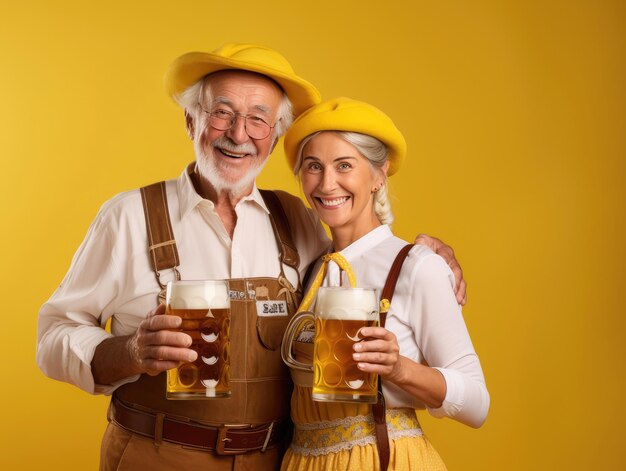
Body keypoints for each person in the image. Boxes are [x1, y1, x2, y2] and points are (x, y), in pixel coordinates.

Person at [36, 44, 467, 471]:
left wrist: (419, 256)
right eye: (221, 112)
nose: (239, 134)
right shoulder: (128, 216)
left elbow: (357, 265)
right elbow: (54, 334)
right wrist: (129, 351)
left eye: (258, 119)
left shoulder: (297, 220)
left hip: (275, 459)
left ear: (275, 135)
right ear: (191, 121)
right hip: (158, 454)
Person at [280, 97, 489, 471]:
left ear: (379, 175)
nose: (328, 183)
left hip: (382, 458)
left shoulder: (416, 266)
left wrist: (399, 369)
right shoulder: (307, 264)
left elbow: (477, 403)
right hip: (302, 460)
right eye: (314, 166)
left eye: (345, 165)